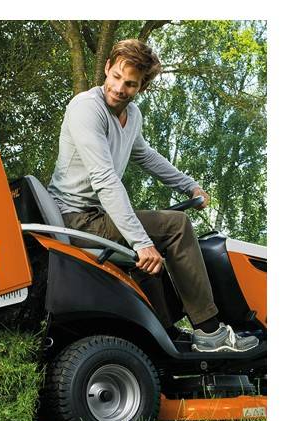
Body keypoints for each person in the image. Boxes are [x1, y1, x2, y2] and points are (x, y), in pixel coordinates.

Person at [47, 38, 258, 353]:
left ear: (141, 87)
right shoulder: (86, 108)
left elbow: (146, 156)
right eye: (116, 77)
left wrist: (189, 185)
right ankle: (210, 333)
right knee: (175, 226)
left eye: (130, 84)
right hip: (73, 219)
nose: (119, 88)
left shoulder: (132, 116)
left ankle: (166, 332)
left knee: (156, 234)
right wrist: (140, 241)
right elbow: (104, 178)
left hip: (96, 216)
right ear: (107, 67)